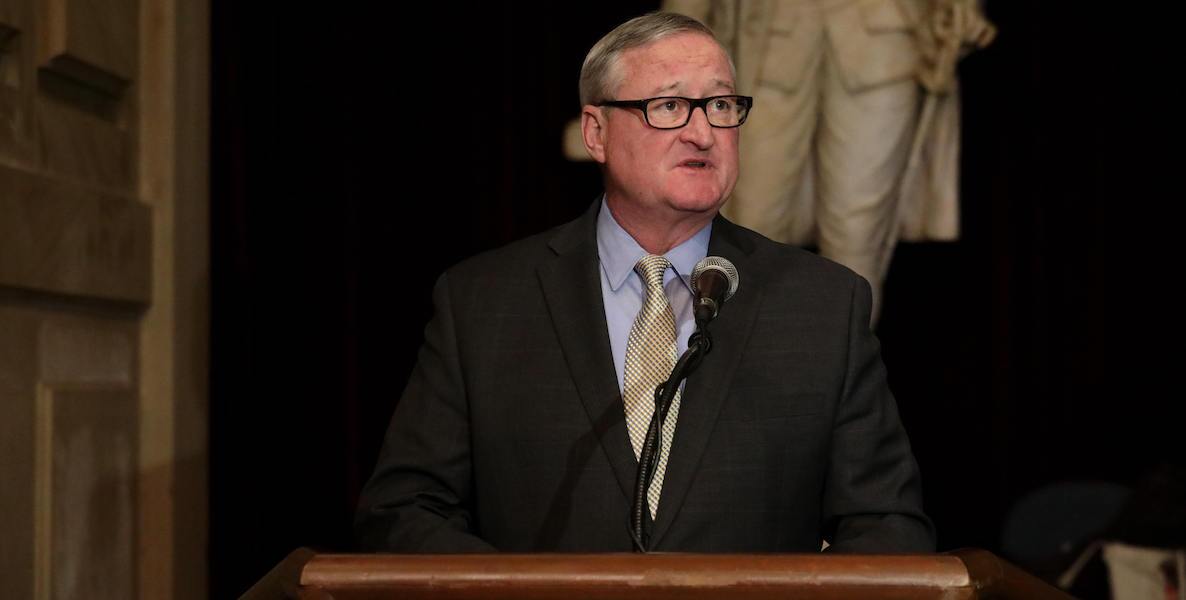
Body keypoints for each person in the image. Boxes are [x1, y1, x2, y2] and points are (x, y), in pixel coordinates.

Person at [355, 11, 933, 553]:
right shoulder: (482, 303)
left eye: (721, 106)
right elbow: (405, 511)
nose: (703, 133)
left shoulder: (822, 305)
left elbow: (886, 526)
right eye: (670, 106)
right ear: (596, 132)